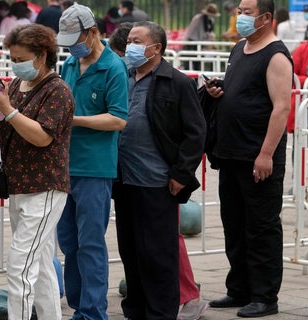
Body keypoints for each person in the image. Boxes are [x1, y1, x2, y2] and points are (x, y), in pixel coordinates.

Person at [108, 21, 209, 320]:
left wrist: (181, 174)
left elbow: (195, 133)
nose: (130, 46)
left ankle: (161, 313)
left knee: (158, 255)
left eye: (138, 41)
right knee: (131, 250)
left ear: (156, 48)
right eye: (129, 41)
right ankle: (135, 310)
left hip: (157, 181)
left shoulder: (176, 82)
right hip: (123, 179)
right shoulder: (122, 77)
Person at [205, 0, 292, 317]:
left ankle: (265, 296)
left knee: (261, 227)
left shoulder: (276, 55)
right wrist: (219, 92)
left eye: (247, 12)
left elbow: (281, 107)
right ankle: (239, 289)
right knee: (235, 226)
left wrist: (266, 153)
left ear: (266, 18)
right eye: (239, 11)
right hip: (231, 154)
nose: (239, 17)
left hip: (257, 157)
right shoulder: (239, 49)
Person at [0, 23, 75, 320]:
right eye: (12, 58)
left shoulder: (57, 90)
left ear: (42, 55)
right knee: (43, 265)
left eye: (21, 58)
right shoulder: (14, 86)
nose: (16, 64)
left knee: (20, 265)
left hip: (45, 187)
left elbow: (42, 136)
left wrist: (9, 110)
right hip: (18, 185)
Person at [56, 4, 128, 320]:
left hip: (94, 168)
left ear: (93, 32)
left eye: (76, 38)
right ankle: (78, 305)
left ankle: (93, 311)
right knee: (68, 241)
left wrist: (75, 120)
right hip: (63, 165)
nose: (72, 46)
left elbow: (118, 119)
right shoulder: (70, 63)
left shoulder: (113, 67)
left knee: (90, 242)